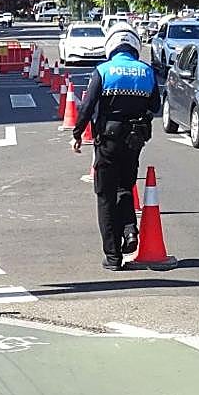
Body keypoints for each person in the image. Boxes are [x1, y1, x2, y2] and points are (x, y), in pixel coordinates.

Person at [72, 26, 161, 271]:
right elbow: (155, 105)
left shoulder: (103, 71)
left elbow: (87, 106)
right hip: (135, 140)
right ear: (135, 46)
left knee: (105, 196)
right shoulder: (147, 72)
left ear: (110, 45)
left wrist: (77, 133)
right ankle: (130, 230)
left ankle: (113, 257)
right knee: (125, 186)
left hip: (108, 140)